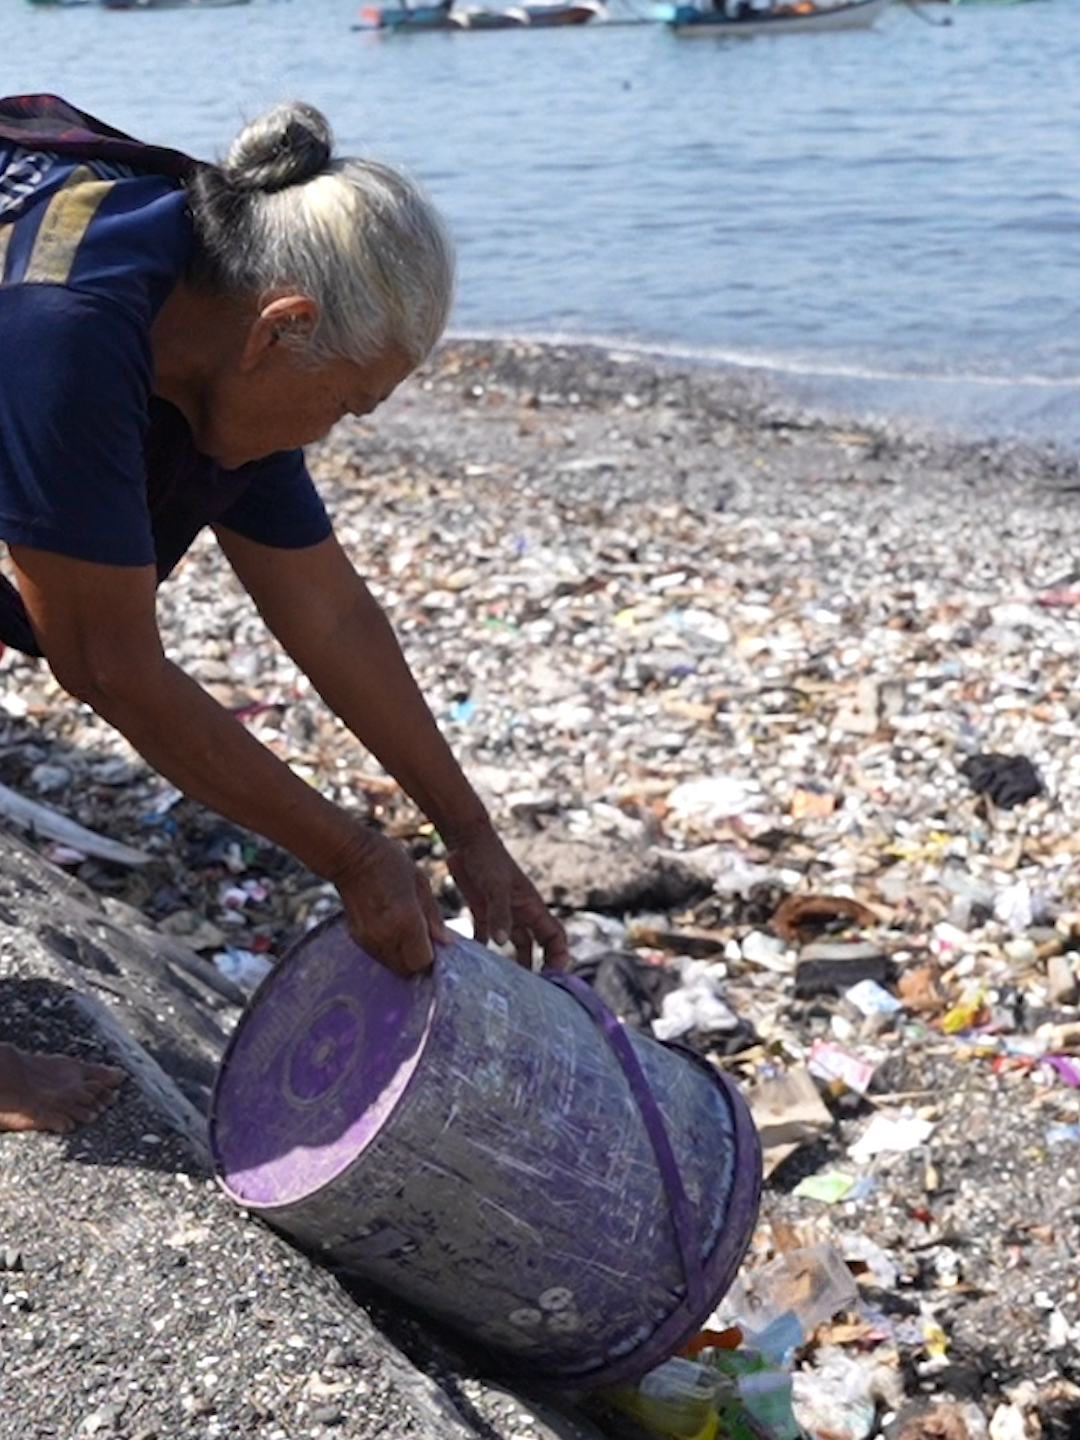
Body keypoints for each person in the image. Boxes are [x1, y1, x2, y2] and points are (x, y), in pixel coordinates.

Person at [0, 94, 569, 1135]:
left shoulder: (218, 319)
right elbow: (107, 664)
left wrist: (469, 833)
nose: (334, 431)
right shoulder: (69, 330)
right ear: (287, 328)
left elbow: (328, 611)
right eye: (348, 404)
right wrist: (355, 858)